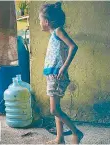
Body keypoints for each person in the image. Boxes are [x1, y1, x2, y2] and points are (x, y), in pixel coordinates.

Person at [38, 2, 83, 144]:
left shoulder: (58, 31)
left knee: (54, 110)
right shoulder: (54, 34)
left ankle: (76, 133)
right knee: (56, 109)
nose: (39, 23)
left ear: (46, 22)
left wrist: (63, 67)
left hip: (57, 76)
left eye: (39, 20)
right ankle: (59, 138)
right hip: (52, 75)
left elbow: (73, 46)